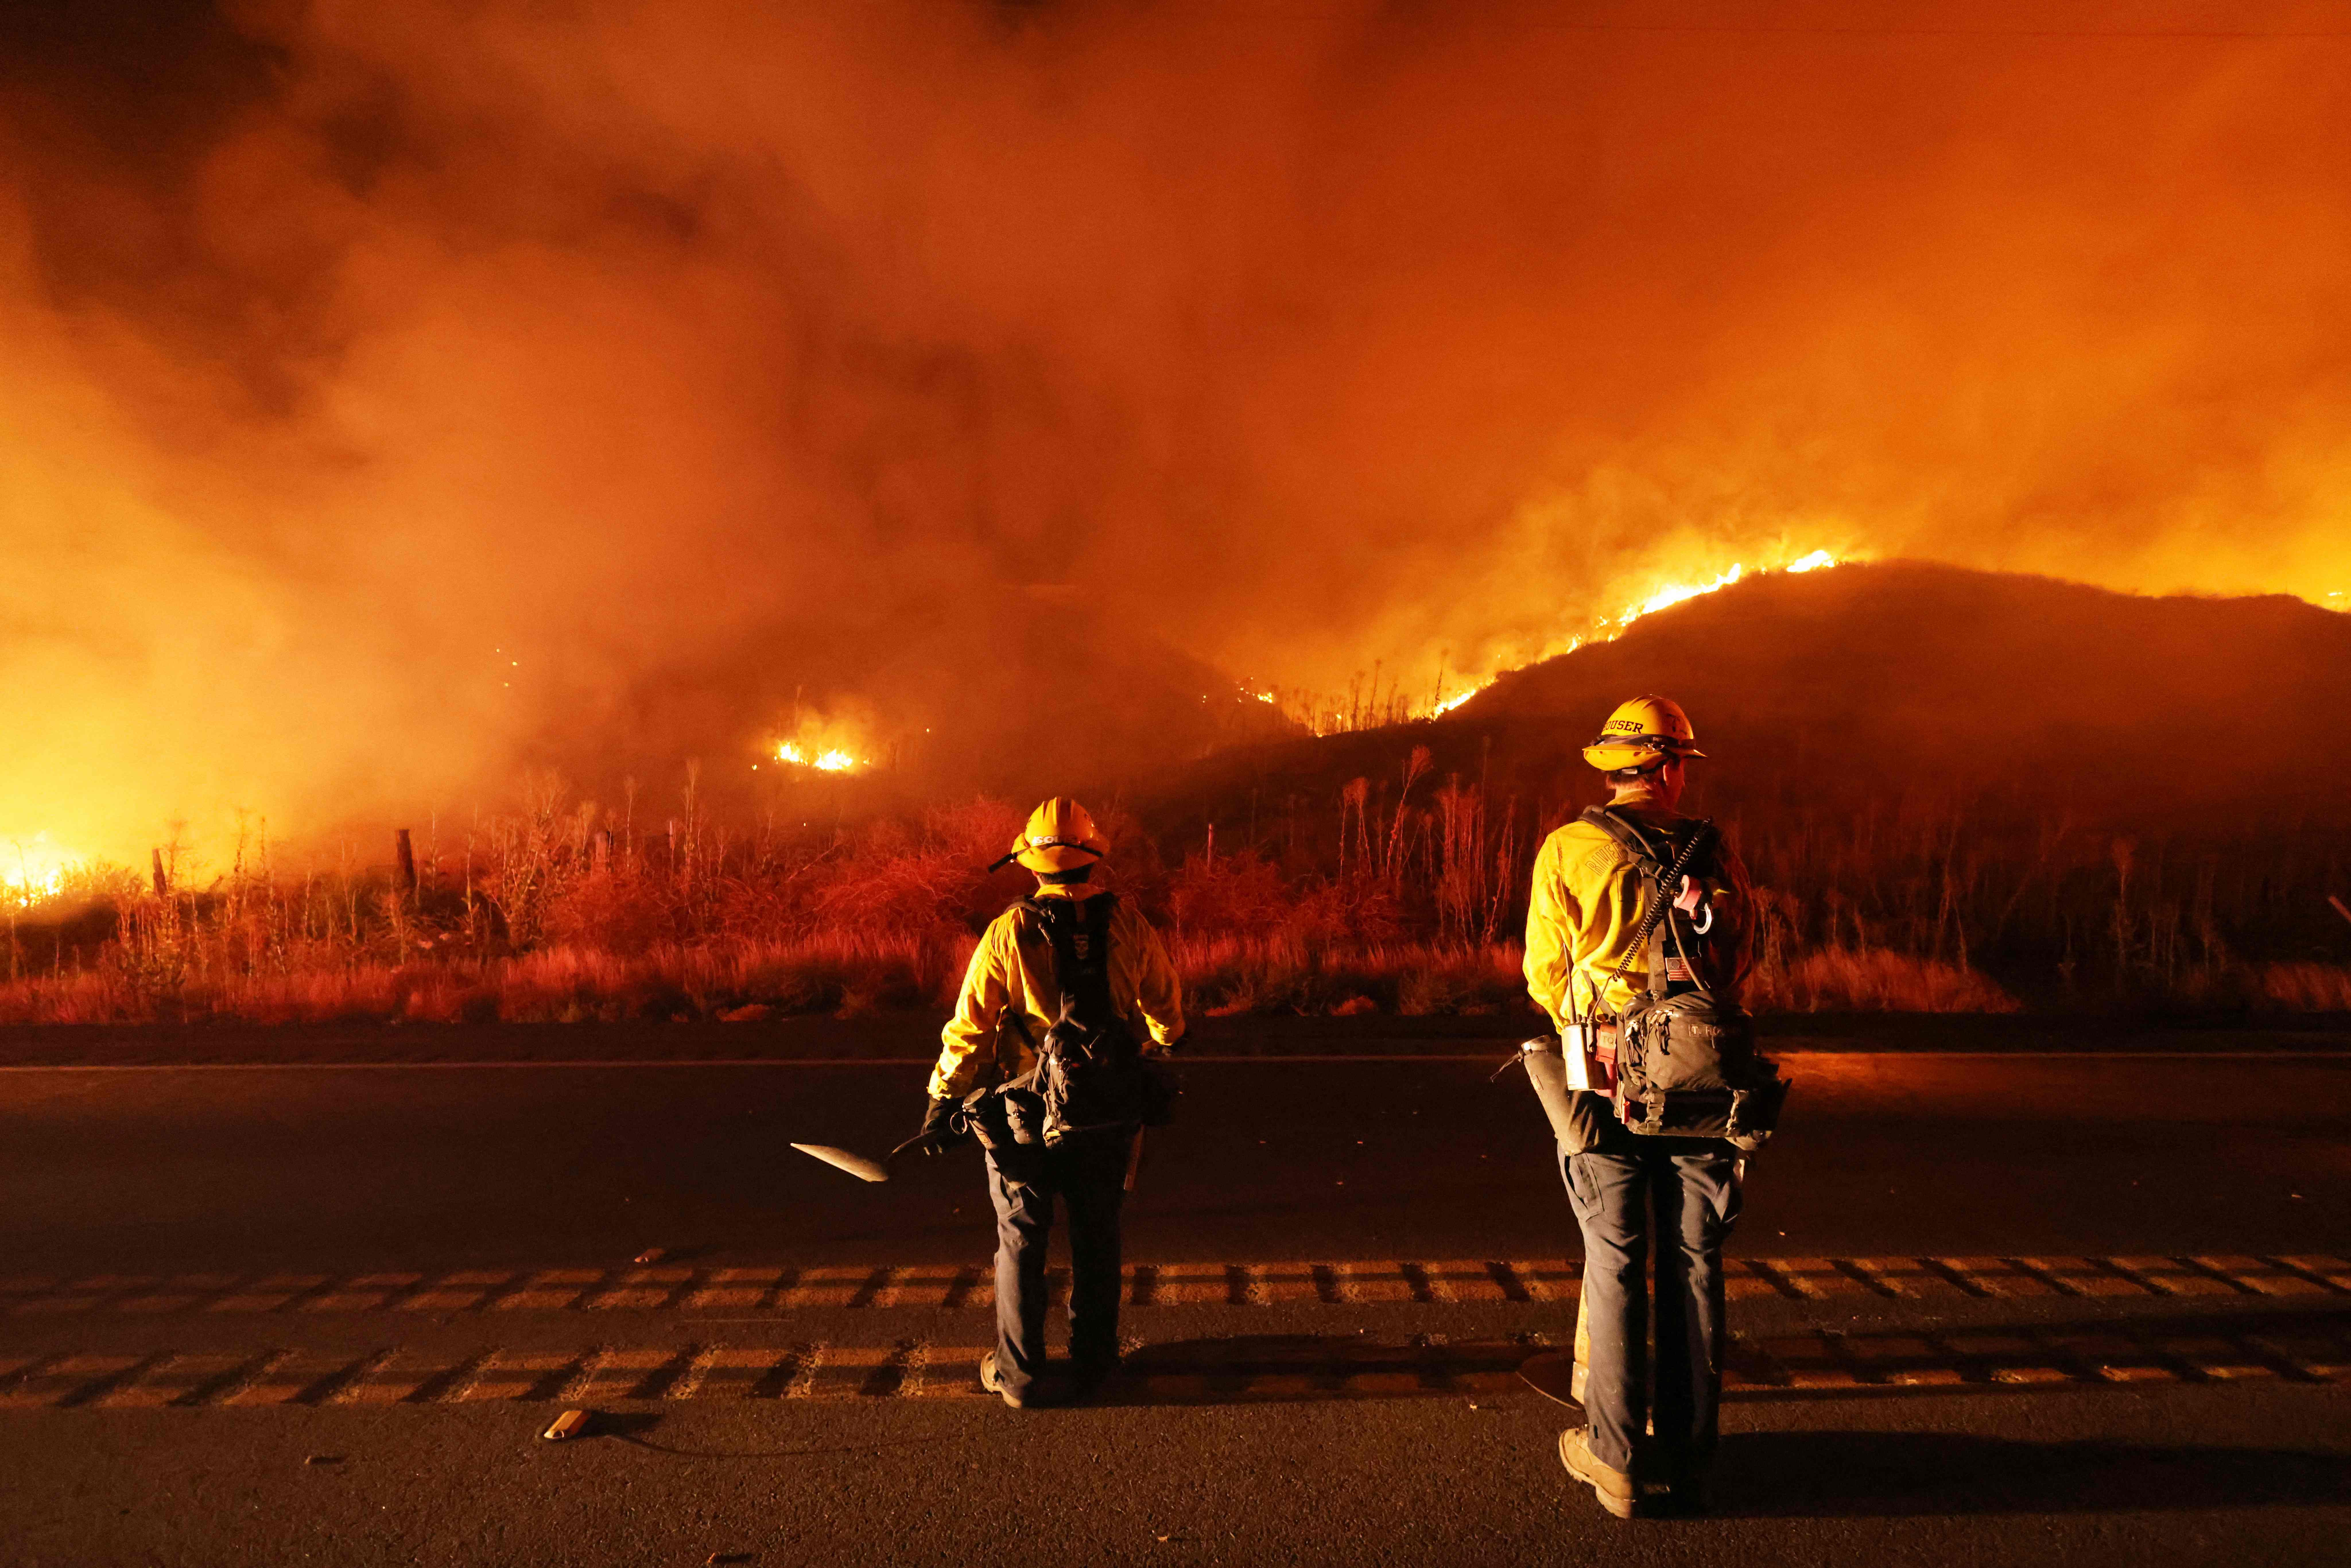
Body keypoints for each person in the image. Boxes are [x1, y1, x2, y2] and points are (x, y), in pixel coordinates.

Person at [1522, 696, 1756, 1518]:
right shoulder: (1712, 850)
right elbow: (1743, 960)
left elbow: (1543, 974)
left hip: (1603, 1082)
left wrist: (1601, 1028)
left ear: (1618, 770)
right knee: (1695, 1260)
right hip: (1702, 1085)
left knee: (1616, 1257)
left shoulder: (1567, 848)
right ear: (1669, 767)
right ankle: (1690, 1460)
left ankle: (1616, 1460)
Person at [910, 796, 1185, 1408]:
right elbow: (1167, 1009)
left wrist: (943, 1096)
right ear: (1092, 858)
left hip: (1022, 1114)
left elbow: (970, 1027)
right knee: (1097, 1234)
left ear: (1031, 864)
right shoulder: (1128, 923)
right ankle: (1096, 1364)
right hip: (1106, 1112)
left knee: (1021, 1236)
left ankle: (1020, 1375)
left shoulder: (1009, 931)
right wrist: (1164, 1039)